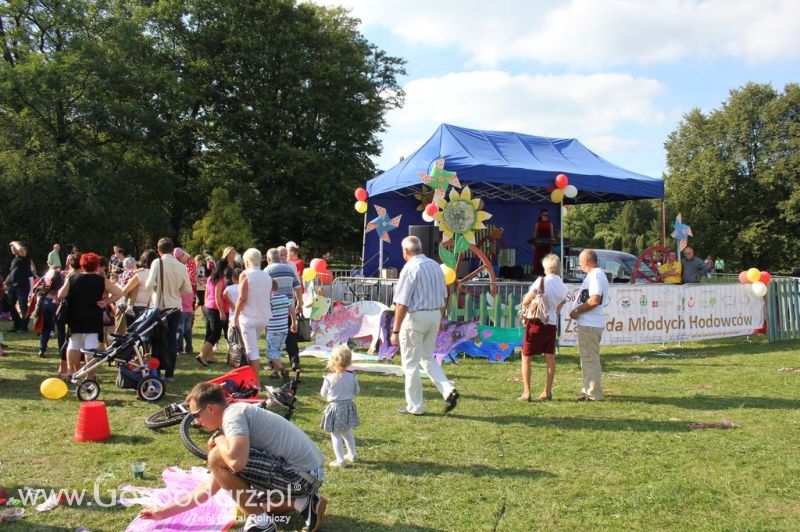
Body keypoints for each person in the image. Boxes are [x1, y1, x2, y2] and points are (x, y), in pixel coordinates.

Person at [139, 382, 327, 532]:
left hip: (300, 477)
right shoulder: (235, 415)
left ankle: (263, 525)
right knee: (247, 502)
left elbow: (236, 463)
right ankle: (304, 502)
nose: (197, 422)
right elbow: (208, 490)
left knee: (217, 457)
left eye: (196, 415)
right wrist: (162, 512)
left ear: (210, 408)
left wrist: (218, 439)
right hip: (307, 476)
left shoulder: (233, 417)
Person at [390, 236, 459, 415]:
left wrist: (395, 330)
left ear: (406, 251)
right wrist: (441, 318)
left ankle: (415, 406)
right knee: (427, 357)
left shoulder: (410, 268)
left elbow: (402, 302)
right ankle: (447, 389)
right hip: (434, 314)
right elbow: (445, 296)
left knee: (411, 363)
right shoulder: (435, 266)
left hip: (415, 317)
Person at [57, 253, 123, 377]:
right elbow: (119, 293)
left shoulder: (73, 278)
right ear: (97, 266)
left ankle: (71, 371)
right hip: (94, 316)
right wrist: (105, 302)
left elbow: (60, 295)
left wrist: (68, 281)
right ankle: (89, 375)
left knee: (74, 343)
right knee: (91, 346)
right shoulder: (102, 280)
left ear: (82, 265)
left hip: (75, 315)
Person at [518, 254, 566, 402]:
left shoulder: (541, 281)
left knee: (526, 356)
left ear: (547, 267)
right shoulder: (563, 286)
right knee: (550, 357)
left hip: (536, 322)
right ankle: (548, 390)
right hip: (551, 324)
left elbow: (527, 299)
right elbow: (559, 307)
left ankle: (527, 392)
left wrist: (525, 306)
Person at [145, 238, 192, 381]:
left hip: (160, 307)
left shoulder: (157, 263)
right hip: (176, 307)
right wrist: (175, 292)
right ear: (173, 250)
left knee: (157, 340)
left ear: (158, 250)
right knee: (171, 340)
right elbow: (187, 289)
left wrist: (157, 290)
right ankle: (170, 373)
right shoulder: (181, 266)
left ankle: (156, 371)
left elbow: (148, 284)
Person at [568, 249, 608, 402]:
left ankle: (593, 393)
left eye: (580, 261)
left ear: (586, 260)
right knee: (588, 358)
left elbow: (594, 299)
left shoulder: (596, 275)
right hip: (589, 323)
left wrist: (576, 311)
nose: (580, 264)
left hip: (590, 324)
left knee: (590, 358)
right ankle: (589, 390)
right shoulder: (596, 275)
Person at [231, 249, 273, 386]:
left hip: (249, 317)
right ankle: (249, 378)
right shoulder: (267, 276)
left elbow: (242, 298)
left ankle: (255, 383)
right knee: (252, 348)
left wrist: (235, 317)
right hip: (263, 316)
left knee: (251, 351)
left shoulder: (245, 274)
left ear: (247, 261)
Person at [320, 345, 360, 468]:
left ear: (332, 361)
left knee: (335, 434)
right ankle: (352, 454)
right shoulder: (352, 376)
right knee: (347, 432)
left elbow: (323, 393)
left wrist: (328, 398)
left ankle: (340, 460)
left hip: (335, 407)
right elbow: (357, 391)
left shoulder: (329, 378)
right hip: (349, 406)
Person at [264, 248, 303, 372]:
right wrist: (299, 302)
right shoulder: (289, 269)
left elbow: (264, 289)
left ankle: (273, 364)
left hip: (273, 309)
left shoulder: (267, 270)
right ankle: (295, 362)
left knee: (272, 337)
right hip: (288, 306)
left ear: (269, 259)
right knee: (291, 337)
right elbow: (297, 287)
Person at [198, 259, 230, 366]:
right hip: (215, 309)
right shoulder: (220, 280)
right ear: (224, 269)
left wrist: (206, 304)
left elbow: (207, 293)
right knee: (215, 334)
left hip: (208, 307)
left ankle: (209, 356)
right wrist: (221, 311)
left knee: (209, 333)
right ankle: (202, 355)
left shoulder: (210, 278)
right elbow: (218, 297)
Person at [266, 278, 297, 383]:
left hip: (273, 330)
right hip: (284, 329)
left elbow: (266, 313)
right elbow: (292, 310)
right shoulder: (284, 298)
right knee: (277, 351)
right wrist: (293, 323)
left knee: (271, 352)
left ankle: (283, 370)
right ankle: (275, 372)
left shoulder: (269, 300)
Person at [121, 249, 157, 324]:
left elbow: (125, 290)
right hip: (150, 308)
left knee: (131, 332)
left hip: (135, 307)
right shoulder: (157, 274)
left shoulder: (140, 274)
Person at [174, 248, 197, 354]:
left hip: (182, 310)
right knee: (188, 330)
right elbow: (192, 299)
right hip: (190, 311)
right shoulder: (190, 289)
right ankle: (189, 348)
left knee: (180, 330)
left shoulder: (180, 290)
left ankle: (179, 348)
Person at [5, 241, 32, 332]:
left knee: (23, 307)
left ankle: (24, 327)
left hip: (22, 285)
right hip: (13, 286)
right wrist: (5, 282)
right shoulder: (14, 259)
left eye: (13, 247)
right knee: (10, 305)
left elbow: (21, 249)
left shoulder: (24, 257)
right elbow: (11, 273)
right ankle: (17, 324)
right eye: (11, 247)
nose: (12, 248)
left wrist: (14, 242)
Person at [532, 210, 555, 276]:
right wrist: (533, 243)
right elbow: (535, 233)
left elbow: (552, 235)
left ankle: (546, 273)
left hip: (547, 245)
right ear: (541, 215)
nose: (545, 216)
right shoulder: (537, 223)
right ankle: (538, 275)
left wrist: (552, 244)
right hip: (539, 245)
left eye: (547, 215)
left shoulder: (550, 223)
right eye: (544, 215)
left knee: (547, 259)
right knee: (538, 259)